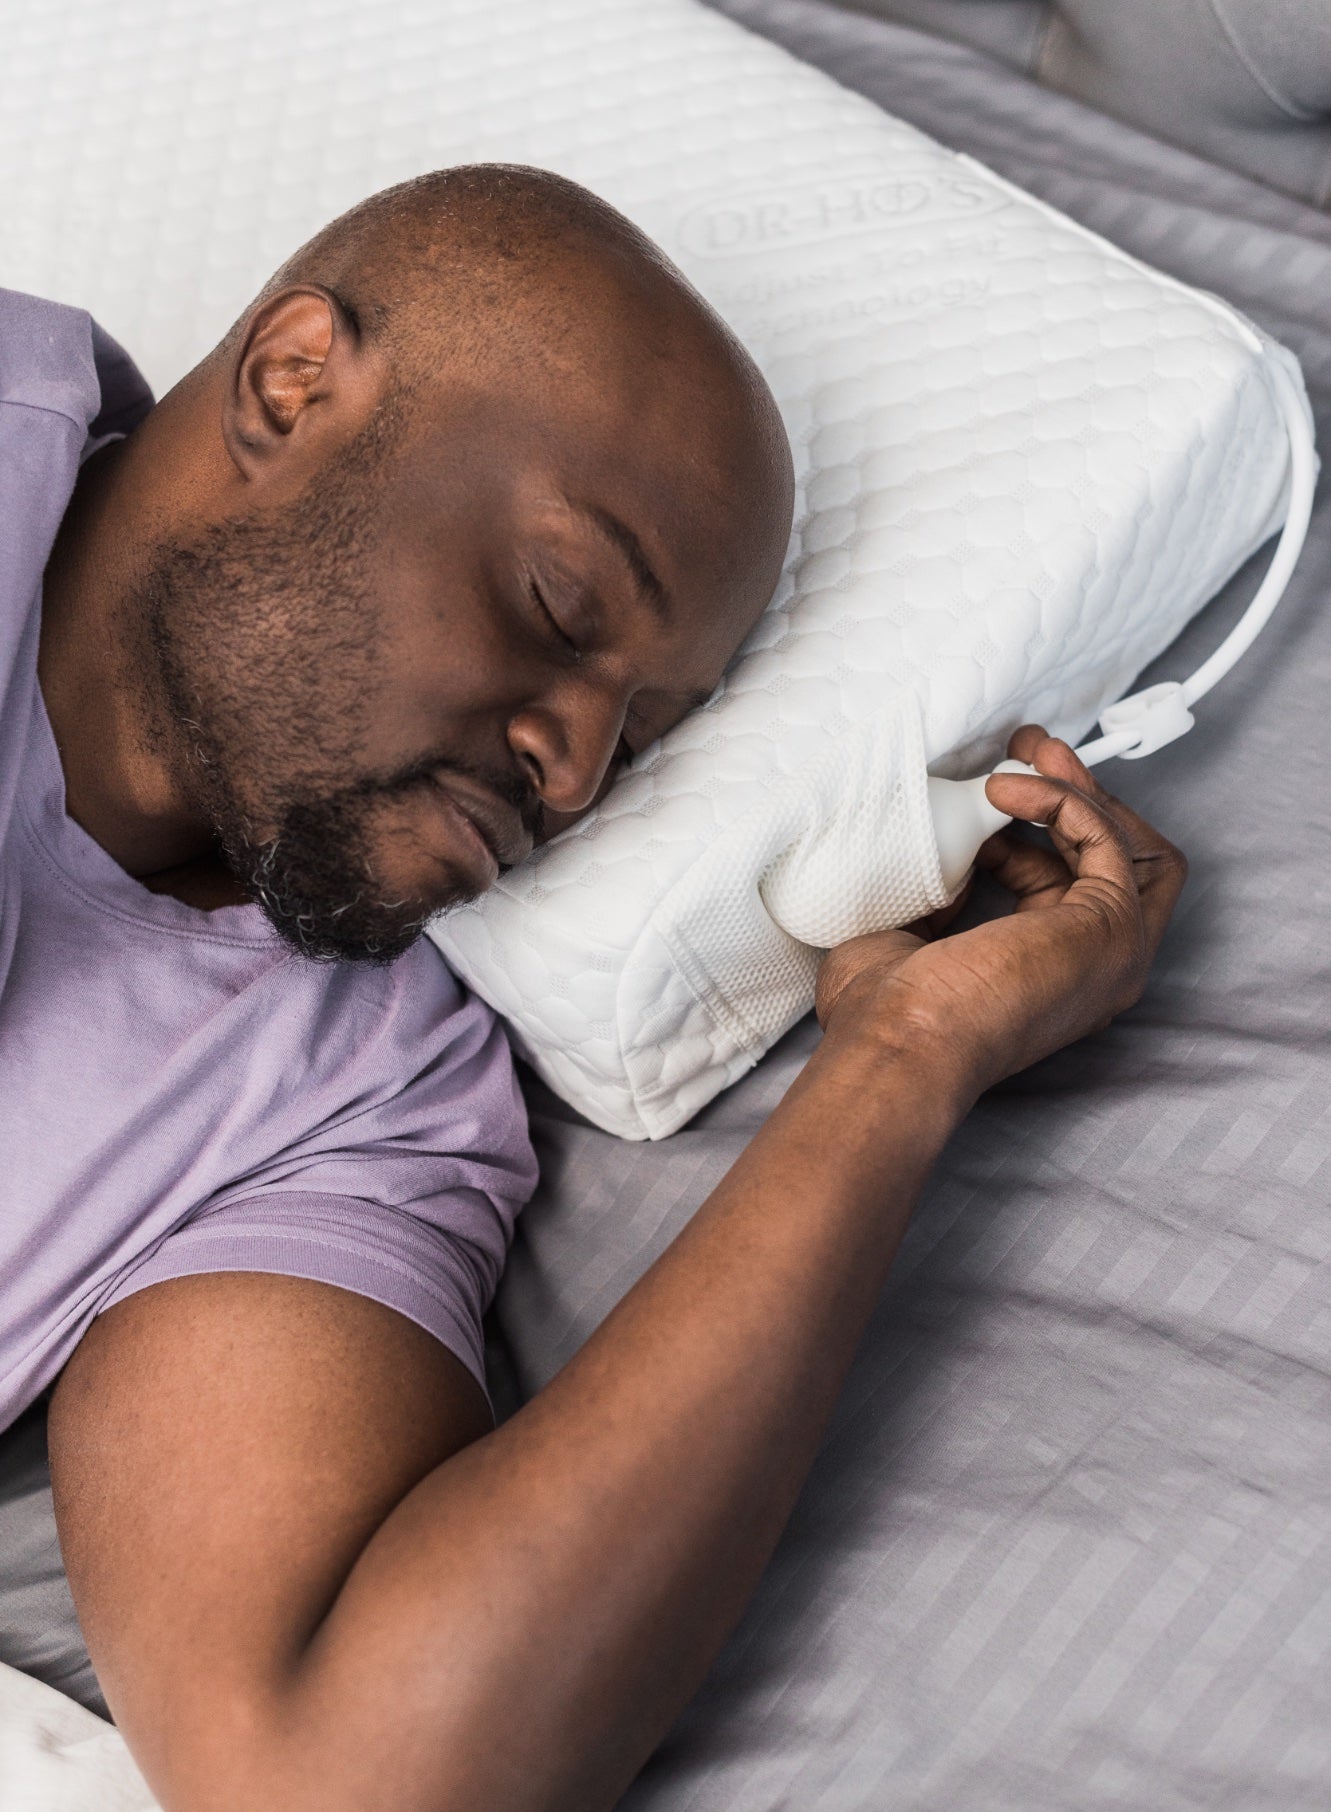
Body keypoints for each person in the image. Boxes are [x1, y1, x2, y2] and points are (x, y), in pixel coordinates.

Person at [0, 164, 1185, 1810]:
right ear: (293, 387)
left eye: (642, 735)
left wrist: (901, 1066)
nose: (569, 768)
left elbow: (336, 1772)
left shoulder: (357, 1082)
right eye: (560, 605)